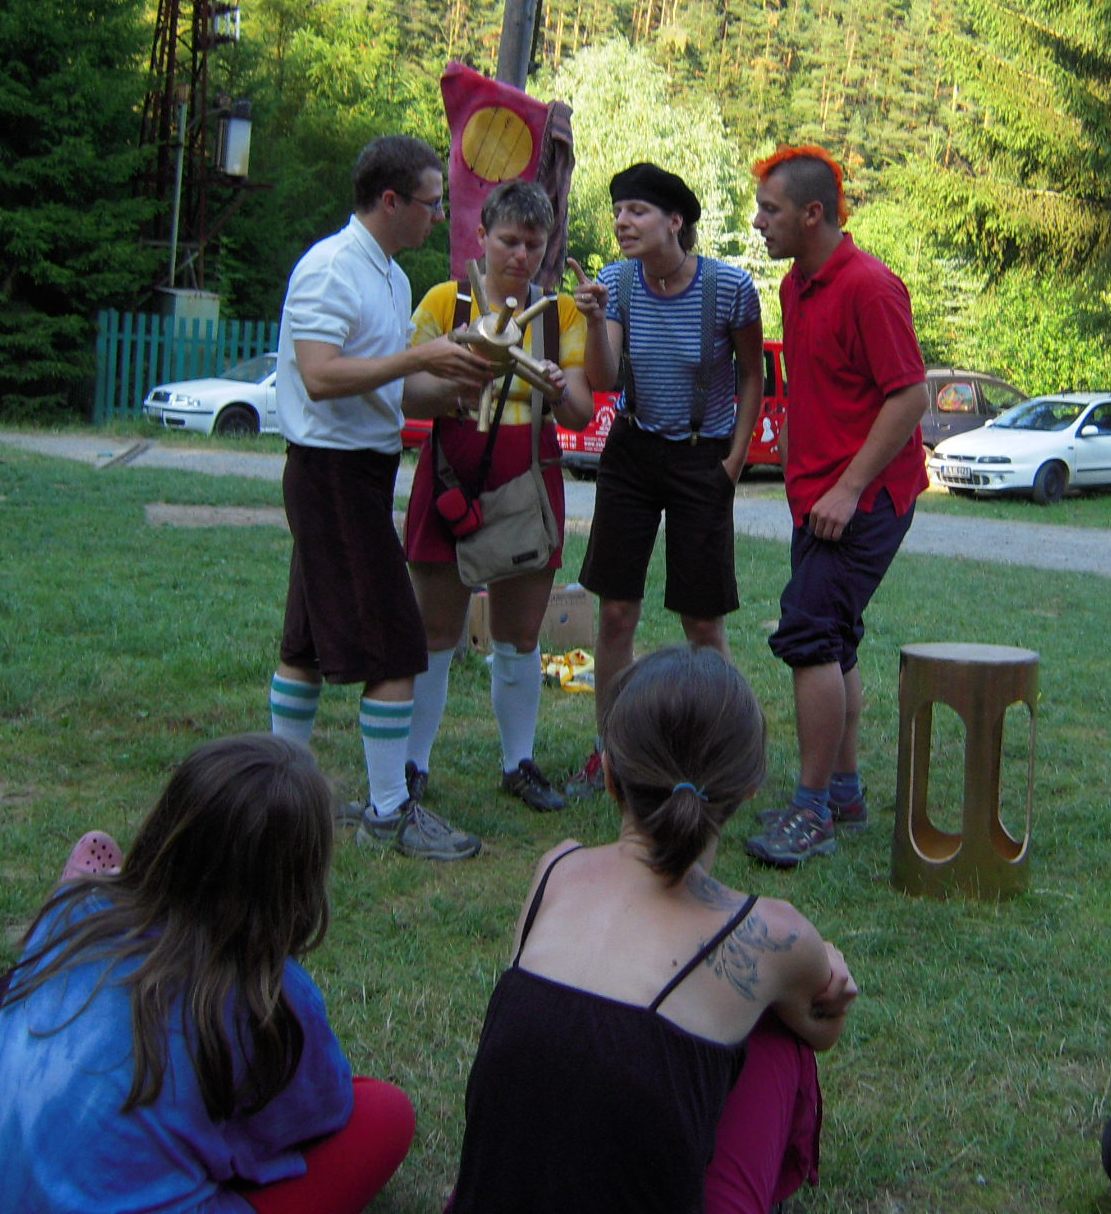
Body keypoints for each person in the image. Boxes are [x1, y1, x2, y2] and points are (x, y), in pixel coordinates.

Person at [447, 646, 857, 1214]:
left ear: (611, 776)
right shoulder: (769, 933)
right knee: (780, 1037)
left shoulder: (556, 870)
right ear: (750, 786)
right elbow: (822, 1027)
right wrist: (828, 962)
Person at [0, 734, 415, 1213]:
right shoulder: (269, 995)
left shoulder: (76, 909)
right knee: (384, 1114)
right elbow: (321, 1115)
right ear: (297, 884)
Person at [268, 134, 491, 862]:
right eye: (430, 202)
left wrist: (453, 384)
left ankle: (278, 789)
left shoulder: (389, 277)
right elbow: (320, 376)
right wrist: (419, 354)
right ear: (390, 201)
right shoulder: (331, 268)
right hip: (330, 472)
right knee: (397, 647)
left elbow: (390, 390)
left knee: (304, 644)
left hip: (358, 472)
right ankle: (390, 811)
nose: (438, 216)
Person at [744, 145, 930, 869]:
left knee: (809, 635)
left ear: (812, 214)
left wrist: (848, 488)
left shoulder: (870, 287)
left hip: (865, 498)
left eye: (770, 210)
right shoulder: (797, 286)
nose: (758, 222)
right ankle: (843, 794)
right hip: (818, 497)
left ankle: (812, 808)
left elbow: (909, 397)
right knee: (835, 640)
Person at [564, 162, 764, 800]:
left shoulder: (730, 288)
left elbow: (752, 375)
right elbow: (602, 380)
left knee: (702, 624)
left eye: (637, 211)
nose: (622, 221)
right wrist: (594, 319)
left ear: (675, 221)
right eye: (618, 211)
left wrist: (733, 461)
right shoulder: (616, 282)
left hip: (704, 457)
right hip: (633, 452)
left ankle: (722, 755)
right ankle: (612, 754)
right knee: (616, 612)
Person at [401, 180, 593, 812]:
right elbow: (408, 396)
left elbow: (581, 411)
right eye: (509, 240)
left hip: (527, 474)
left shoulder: (557, 315)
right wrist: (458, 378)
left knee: (519, 634)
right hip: (452, 473)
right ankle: (412, 765)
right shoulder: (446, 302)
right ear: (480, 237)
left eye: (533, 245)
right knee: (435, 630)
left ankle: (518, 763)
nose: (521, 255)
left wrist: (557, 385)